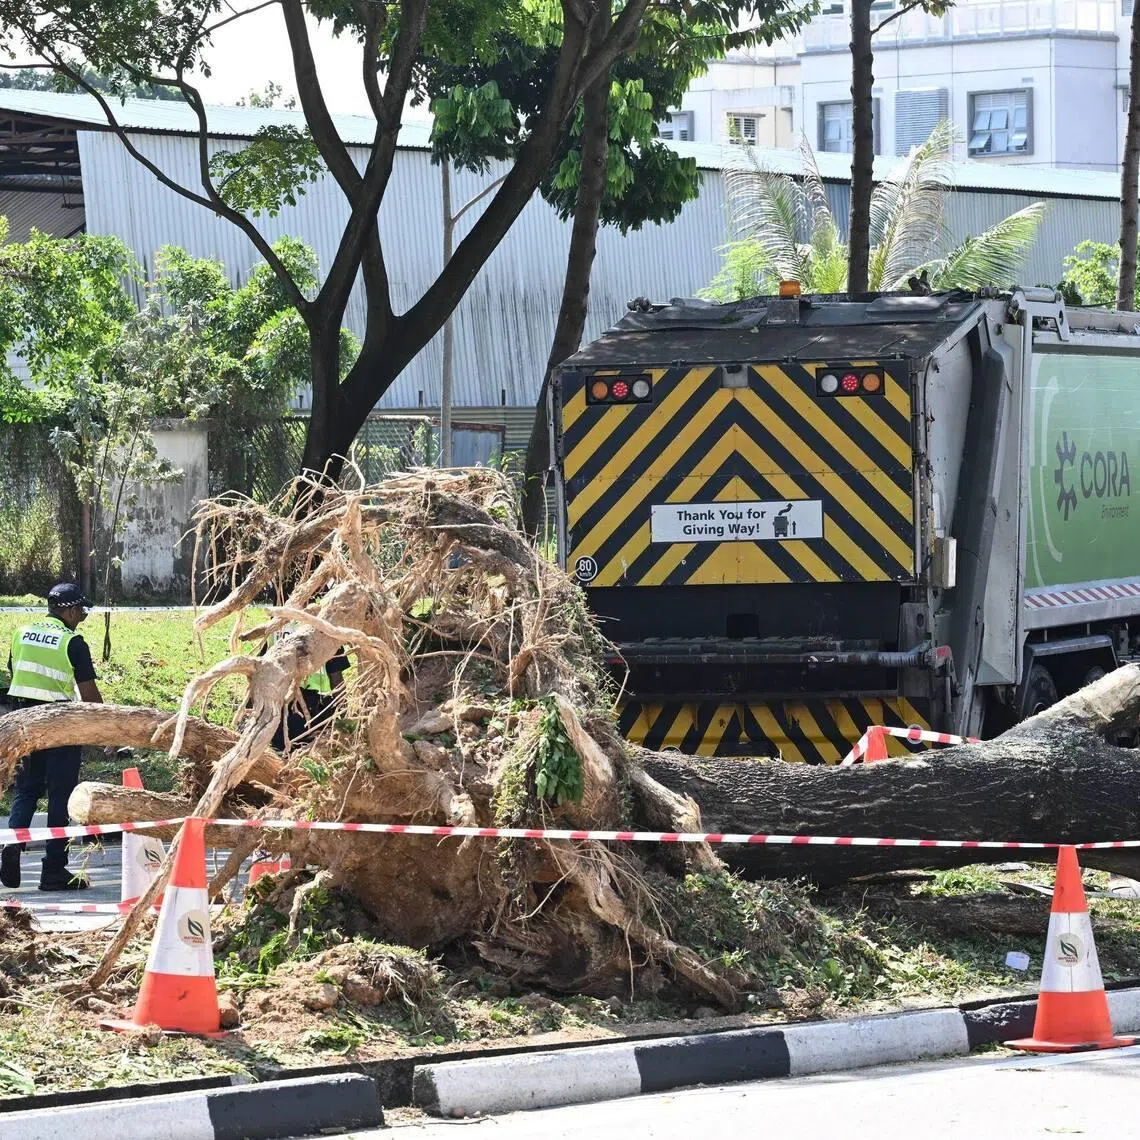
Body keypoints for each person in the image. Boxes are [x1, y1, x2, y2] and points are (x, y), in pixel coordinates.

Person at [1, 583, 103, 891]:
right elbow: (89, 696)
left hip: (24, 724)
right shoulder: (73, 642)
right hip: (60, 724)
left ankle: (12, 845)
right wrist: (105, 729)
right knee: (61, 796)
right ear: (69, 610)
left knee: (27, 790)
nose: (82, 618)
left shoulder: (21, 633)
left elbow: (16, 673)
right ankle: (54, 871)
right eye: (81, 612)